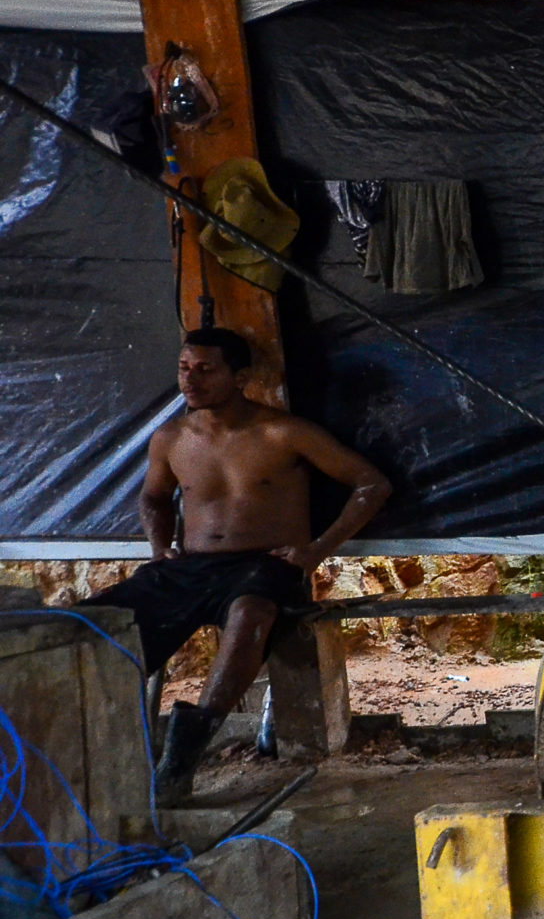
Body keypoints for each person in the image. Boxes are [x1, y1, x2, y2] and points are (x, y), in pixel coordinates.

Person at [85, 328, 392, 797]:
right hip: (189, 566)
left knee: (251, 612)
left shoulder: (284, 432)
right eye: (185, 367)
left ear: (240, 376)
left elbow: (372, 485)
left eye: (207, 370)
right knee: (97, 622)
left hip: (265, 565)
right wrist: (159, 546)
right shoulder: (170, 438)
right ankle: (91, 760)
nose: (192, 380)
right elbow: (153, 499)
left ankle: (180, 762)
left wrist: (315, 551)